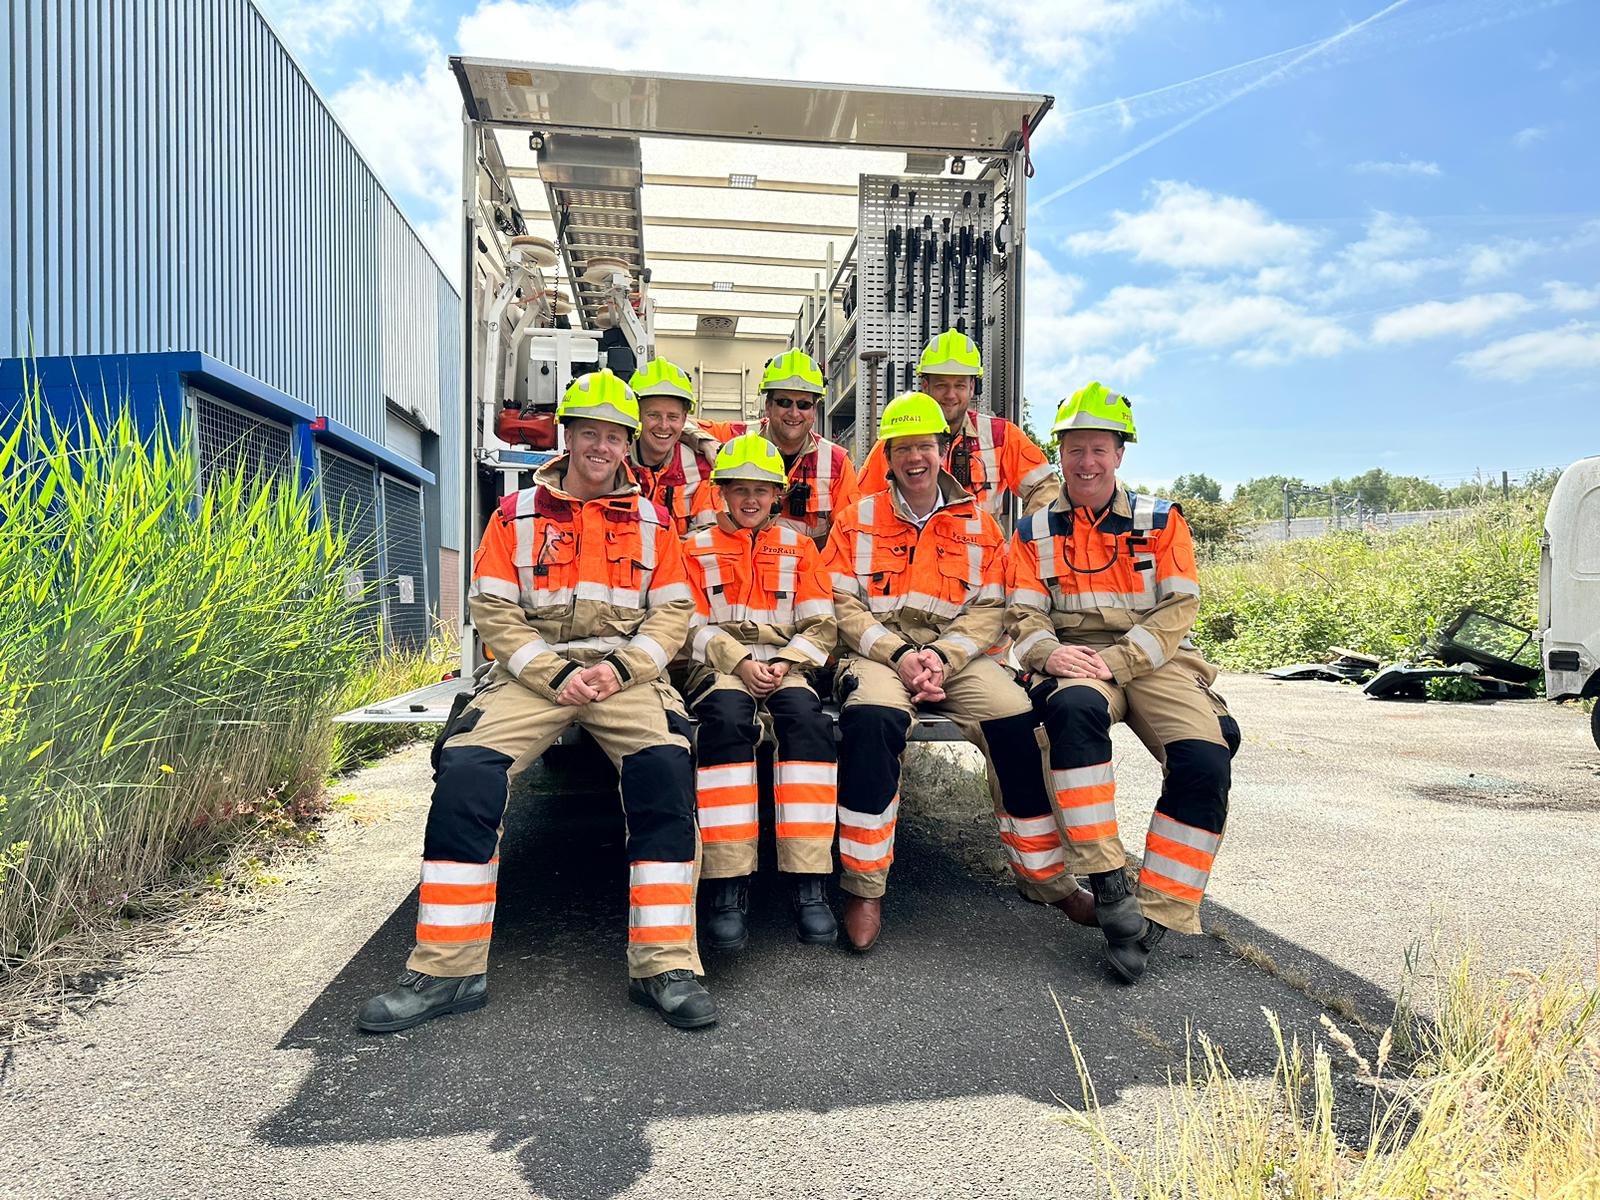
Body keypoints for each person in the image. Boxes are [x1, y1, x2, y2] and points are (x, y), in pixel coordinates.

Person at [356, 369, 717, 1033]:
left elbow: (671, 616)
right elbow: (492, 608)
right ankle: (446, 971)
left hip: (624, 679)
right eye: (588, 434)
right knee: (467, 772)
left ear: (627, 444)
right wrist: (554, 676)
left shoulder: (652, 519)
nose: (600, 447)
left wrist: (617, 670)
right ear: (567, 437)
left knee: (664, 772)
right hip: (532, 677)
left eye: (613, 436)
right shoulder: (516, 512)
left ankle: (665, 964)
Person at [820, 392, 1089, 952]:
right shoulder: (855, 520)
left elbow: (991, 608)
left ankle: (1048, 879)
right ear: (887, 456)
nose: (914, 458)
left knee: (1015, 719)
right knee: (871, 720)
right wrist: (900, 656)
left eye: (925, 446)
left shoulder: (981, 525)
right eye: (902, 449)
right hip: (877, 655)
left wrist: (942, 658)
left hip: (958, 659)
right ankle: (865, 887)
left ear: (943, 450)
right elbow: (840, 606)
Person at [1008, 382, 1241, 983]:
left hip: (1154, 658)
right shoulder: (1032, 532)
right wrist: (1051, 657)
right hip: (1074, 659)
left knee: (1206, 760)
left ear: (1120, 454)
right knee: (1072, 715)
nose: (1087, 463)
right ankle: (1109, 883)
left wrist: (1118, 661)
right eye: (1075, 450)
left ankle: (1157, 914)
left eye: (1099, 450)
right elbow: (1023, 615)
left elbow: (1178, 608)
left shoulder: (1161, 520)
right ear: (1059, 454)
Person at [681, 433, 839, 949]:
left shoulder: (801, 548)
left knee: (809, 725)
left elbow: (821, 626)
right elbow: (682, 625)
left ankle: (810, 885)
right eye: (740, 489)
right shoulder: (694, 547)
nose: (751, 500)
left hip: (785, 666)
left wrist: (787, 662)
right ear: (721, 491)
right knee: (726, 723)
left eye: (763, 490)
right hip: (720, 666)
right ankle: (728, 887)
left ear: (778, 494)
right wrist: (739, 661)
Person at [855, 329, 1058, 518]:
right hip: (915, 553)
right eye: (941, 385)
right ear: (926, 386)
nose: (950, 395)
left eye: (959, 385)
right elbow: (862, 508)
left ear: (972, 387)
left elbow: (1045, 488)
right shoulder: (897, 441)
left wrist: (1026, 541)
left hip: (982, 555)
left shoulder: (1001, 436)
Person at [696, 349, 857, 545]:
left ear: (814, 410)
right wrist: (705, 442)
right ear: (769, 406)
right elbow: (677, 421)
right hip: (737, 568)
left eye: (804, 405)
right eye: (784, 402)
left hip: (804, 571)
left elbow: (849, 537)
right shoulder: (737, 438)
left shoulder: (836, 463)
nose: (794, 413)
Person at [627, 358, 721, 538]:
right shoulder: (615, 463)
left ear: (685, 419)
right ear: (636, 415)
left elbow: (706, 535)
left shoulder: (700, 470)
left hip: (680, 564)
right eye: (653, 415)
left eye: (672, 417)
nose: (663, 425)